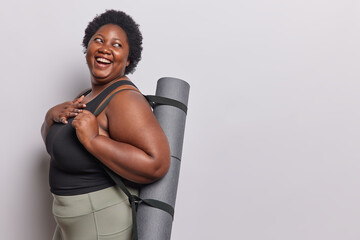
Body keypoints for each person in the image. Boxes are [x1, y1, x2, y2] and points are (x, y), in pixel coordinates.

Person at [41, 10, 170, 240]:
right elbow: (58, 148)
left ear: (129, 59)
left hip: (101, 222)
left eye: (117, 44)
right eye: (98, 40)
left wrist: (94, 140)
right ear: (87, 47)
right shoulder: (86, 96)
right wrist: (50, 117)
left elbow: (156, 163)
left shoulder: (124, 99)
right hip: (73, 223)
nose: (105, 48)